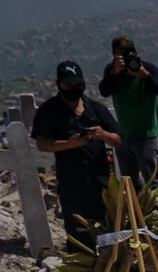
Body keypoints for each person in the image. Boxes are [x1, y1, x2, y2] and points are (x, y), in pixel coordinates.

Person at [31, 60, 121, 246]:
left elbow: (118, 140)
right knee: (78, 235)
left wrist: (102, 134)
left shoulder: (96, 109)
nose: (73, 88)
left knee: (107, 233)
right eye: (67, 84)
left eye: (77, 84)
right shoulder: (49, 111)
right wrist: (69, 144)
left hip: (100, 181)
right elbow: (42, 144)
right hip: (71, 184)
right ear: (58, 84)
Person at [99, 35, 158, 190]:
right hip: (123, 134)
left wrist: (145, 76)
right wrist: (114, 72)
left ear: (136, 52)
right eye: (122, 54)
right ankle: (139, 204)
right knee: (130, 181)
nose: (127, 57)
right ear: (114, 55)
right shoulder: (112, 70)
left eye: (130, 52)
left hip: (146, 134)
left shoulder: (147, 68)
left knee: (152, 180)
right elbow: (104, 91)